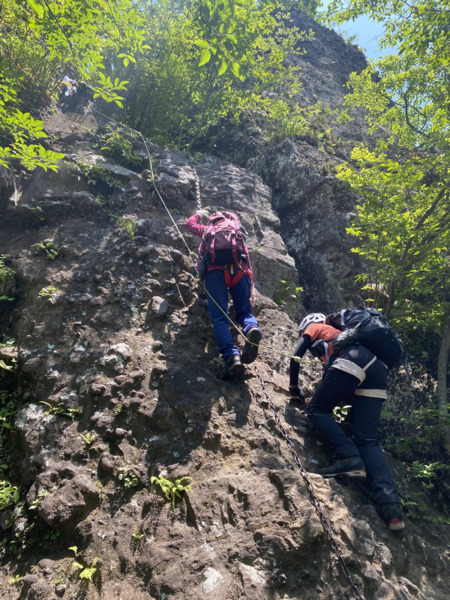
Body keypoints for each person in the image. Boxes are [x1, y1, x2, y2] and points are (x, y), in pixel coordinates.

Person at [289, 312, 405, 531]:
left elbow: (296, 354)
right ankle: (392, 508)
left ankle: (351, 458)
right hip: (377, 369)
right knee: (367, 439)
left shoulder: (317, 328)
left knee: (316, 409)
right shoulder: (343, 335)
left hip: (353, 359)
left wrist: (294, 388)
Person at [185, 210, 262, 379]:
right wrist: (251, 283)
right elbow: (246, 255)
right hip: (240, 272)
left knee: (220, 316)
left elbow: (189, 225)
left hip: (215, 273)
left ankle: (231, 356)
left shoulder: (208, 230)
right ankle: (252, 328)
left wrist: (198, 214)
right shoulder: (236, 230)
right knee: (244, 312)